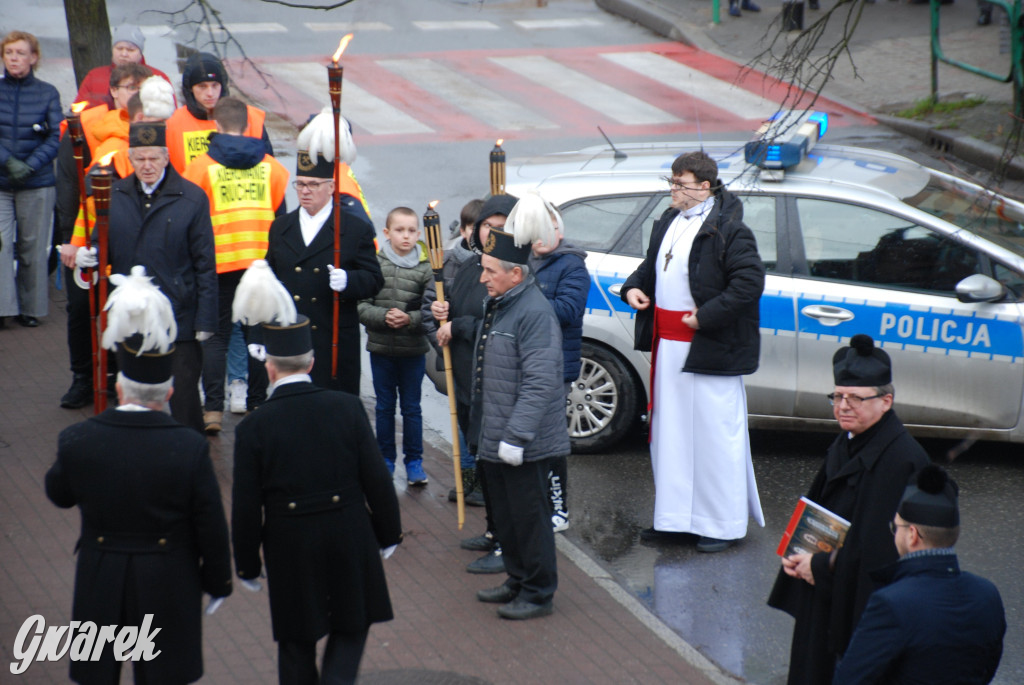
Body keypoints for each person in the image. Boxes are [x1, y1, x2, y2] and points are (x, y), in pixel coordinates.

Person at [45, 269, 232, 684]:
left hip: (100, 574)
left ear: (119, 387)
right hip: (168, 578)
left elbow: (58, 493)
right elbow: (210, 523)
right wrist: (218, 579)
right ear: (168, 394)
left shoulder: (78, 439)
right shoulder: (189, 447)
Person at [232, 275, 403, 684]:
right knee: (351, 626)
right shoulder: (346, 408)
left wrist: (247, 565)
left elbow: (244, 505)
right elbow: (376, 478)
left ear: (269, 368)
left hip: (289, 542)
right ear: (310, 363)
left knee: (296, 642)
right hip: (349, 531)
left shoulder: (253, 428)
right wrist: (389, 533)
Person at [621, 150, 765, 553]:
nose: (672, 189)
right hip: (668, 348)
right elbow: (651, 266)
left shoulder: (729, 230)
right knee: (671, 436)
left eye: (680, 183)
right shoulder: (668, 220)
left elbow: (749, 283)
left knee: (713, 437)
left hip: (708, 349)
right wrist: (633, 287)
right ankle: (675, 519)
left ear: (705, 187)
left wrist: (706, 317)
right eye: (671, 181)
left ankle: (721, 524)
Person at [767, 334, 932, 685]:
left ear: (886, 401)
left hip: (854, 606)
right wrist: (798, 553)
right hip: (823, 589)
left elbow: (880, 554)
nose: (843, 406)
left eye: (855, 398)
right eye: (837, 396)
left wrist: (821, 567)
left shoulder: (902, 461)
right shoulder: (848, 439)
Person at [75, 121, 217, 434]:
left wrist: (206, 321)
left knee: (183, 401)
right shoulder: (113, 196)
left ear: (166, 157)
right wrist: (92, 259)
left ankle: (189, 460)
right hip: (133, 317)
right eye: (139, 158)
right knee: (134, 398)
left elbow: (205, 263)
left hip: (179, 317)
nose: (147, 166)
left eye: (153, 158)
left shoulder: (192, 199)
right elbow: (104, 249)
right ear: (130, 158)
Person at [470, 214, 570, 620]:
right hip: (498, 435)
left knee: (530, 520)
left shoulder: (533, 313)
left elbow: (540, 381)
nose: (482, 278)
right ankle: (517, 578)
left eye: (490, 271)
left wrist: (516, 436)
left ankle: (539, 592)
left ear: (515, 273)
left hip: (522, 443)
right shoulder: (501, 302)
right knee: (509, 521)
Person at [834, 465, 1005, 684]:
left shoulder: (891, 604)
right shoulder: (987, 595)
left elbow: (850, 679)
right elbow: (988, 666)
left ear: (912, 535)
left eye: (896, 527)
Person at [183, 96, 288, 433]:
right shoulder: (272, 167)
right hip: (259, 266)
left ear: (216, 125)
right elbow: (281, 221)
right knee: (257, 333)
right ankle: (257, 402)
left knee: (216, 337)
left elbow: (191, 221)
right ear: (249, 126)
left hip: (218, 264)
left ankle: (213, 410)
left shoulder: (199, 168)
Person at [428, 194, 519, 575]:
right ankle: (494, 530)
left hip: (494, 387)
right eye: (487, 225)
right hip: (466, 382)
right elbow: (453, 311)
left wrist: (459, 325)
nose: (492, 231)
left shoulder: (514, 272)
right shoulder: (471, 266)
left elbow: (501, 326)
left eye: (501, 225)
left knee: (501, 472)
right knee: (482, 462)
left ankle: (508, 543)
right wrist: (440, 313)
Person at [55, 63, 154, 409]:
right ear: (114, 92)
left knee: (123, 307)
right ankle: (84, 377)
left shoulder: (160, 132)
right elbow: (73, 189)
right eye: (129, 87)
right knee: (82, 309)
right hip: (89, 236)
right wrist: (73, 240)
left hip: (133, 239)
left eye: (142, 88)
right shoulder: (93, 133)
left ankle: (115, 376)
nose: (135, 94)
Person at [263, 113, 382, 396]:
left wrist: (349, 281)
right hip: (292, 341)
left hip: (334, 343)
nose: (305, 192)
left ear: (331, 187)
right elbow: (268, 285)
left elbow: (374, 279)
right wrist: (260, 333)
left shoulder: (353, 228)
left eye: (313, 185)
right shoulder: (281, 227)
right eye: (300, 184)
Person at [522, 192, 590, 532]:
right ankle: (533, 503)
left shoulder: (572, 265)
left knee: (549, 441)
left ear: (558, 230)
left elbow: (568, 311)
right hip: (523, 362)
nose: (541, 237)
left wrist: (524, 299)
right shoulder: (521, 260)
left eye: (548, 228)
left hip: (555, 366)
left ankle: (558, 509)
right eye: (534, 230)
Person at [357, 206, 432, 482]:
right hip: (381, 350)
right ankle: (385, 459)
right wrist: (383, 316)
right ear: (387, 233)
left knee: (412, 408)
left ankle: (415, 462)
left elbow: (431, 310)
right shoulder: (375, 265)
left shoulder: (426, 268)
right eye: (399, 230)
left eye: (412, 230)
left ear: (419, 233)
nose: (406, 236)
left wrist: (409, 320)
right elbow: (362, 306)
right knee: (384, 407)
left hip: (413, 352)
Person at [422, 198, 485, 506]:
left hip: (483, 360)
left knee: (481, 421)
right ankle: (467, 480)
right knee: (461, 418)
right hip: (455, 358)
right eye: (475, 227)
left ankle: (482, 482)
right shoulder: (446, 263)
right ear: (463, 229)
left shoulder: (492, 265)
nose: (480, 234)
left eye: (487, 226)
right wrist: (440, 335)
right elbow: (427, 310)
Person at [0, 31, 62, 328]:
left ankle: (31, 309)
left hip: (37, 183)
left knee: (33, 247)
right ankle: (2, 308)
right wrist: (8, 161)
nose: (14, 58)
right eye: (9, 52)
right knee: (0, 245)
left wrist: (30, 165)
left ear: (33, 58)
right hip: (0, 183)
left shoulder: (48, 92)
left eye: (20, 53)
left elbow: (55, 134)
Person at [165, 51, 272, 173]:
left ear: (223, 86)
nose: (210, 93)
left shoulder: (250, 117)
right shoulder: (173, 124)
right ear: (190, 89)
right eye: (202, 86)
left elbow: (269, 168)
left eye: (215, 85)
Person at [73, 24, 174, 109]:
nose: (124, 54)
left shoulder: (157, 77)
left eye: (130, 50)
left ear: (140, 53)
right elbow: (78, 112)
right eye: (119, 48)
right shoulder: (94, 77)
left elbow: (170, 114)